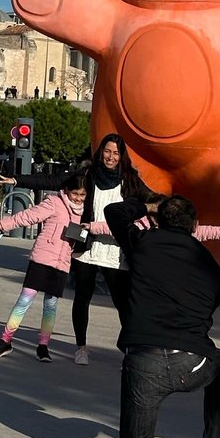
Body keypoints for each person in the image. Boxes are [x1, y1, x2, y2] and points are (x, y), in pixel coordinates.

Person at [105, 194, 220, 438]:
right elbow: (208, 311)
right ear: (194, 225)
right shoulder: (211, 266)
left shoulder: (143, 242)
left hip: (143, 361)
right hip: (192, 361)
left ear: (157, 220)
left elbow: (114, 210)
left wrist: (147, 208)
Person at [0, 169, 89, 361]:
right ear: (66, 190)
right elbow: (28, 216)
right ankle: (5, 341)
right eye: (75, 193)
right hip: (42, 258)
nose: (78, 198)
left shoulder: (85, 214)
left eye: (82, 195)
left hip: (62, 263)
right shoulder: (54, 203)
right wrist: (4, 224)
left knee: (51, 305)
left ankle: (43, 346)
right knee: (24, 300)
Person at [70, 134, 148, 365]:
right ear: (100, 151)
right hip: (88, 248)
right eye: (107, 151)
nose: (110, 157)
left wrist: (179, 208)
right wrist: (18, 180)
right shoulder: (88, 174)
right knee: (82, 298)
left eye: (115, 153)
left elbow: (150, 198)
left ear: (121, 155)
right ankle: (81, 348)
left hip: (116, 251)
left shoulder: (130, 179)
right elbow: (55, 181)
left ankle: (129, 349)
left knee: (122, 302)